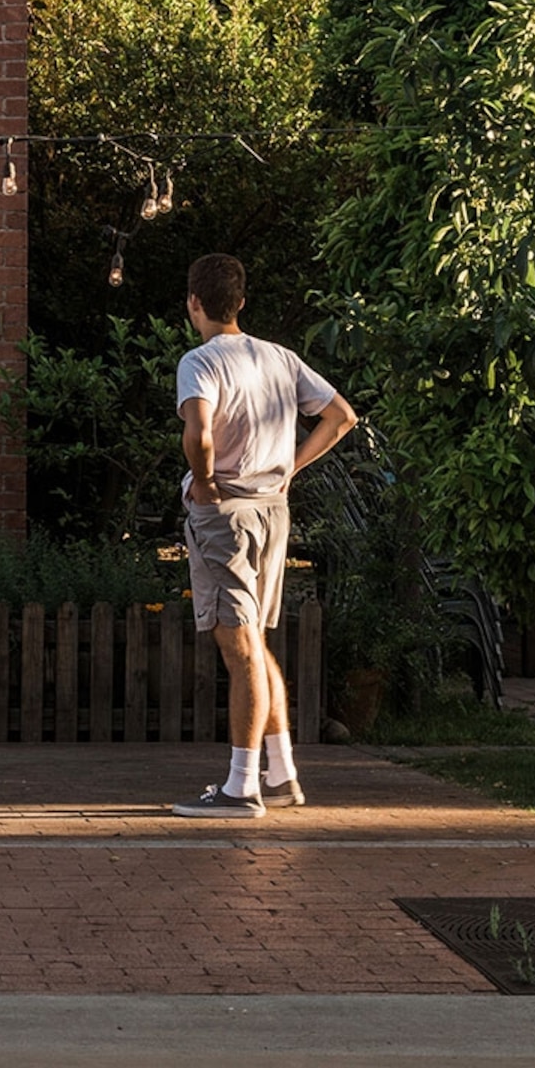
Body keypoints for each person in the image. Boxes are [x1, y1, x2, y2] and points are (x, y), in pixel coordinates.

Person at [168, 252, 356, 818]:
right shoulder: (280, 358)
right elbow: (341, 416)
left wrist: (203, 482)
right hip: (274, 508)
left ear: (194, 302)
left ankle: (240, 786)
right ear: (241, 302)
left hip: (226, 512)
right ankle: (281, 774)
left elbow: (199, 432)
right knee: (255, 642)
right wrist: (291, 467)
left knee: (239, 645)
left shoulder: (199, 362)